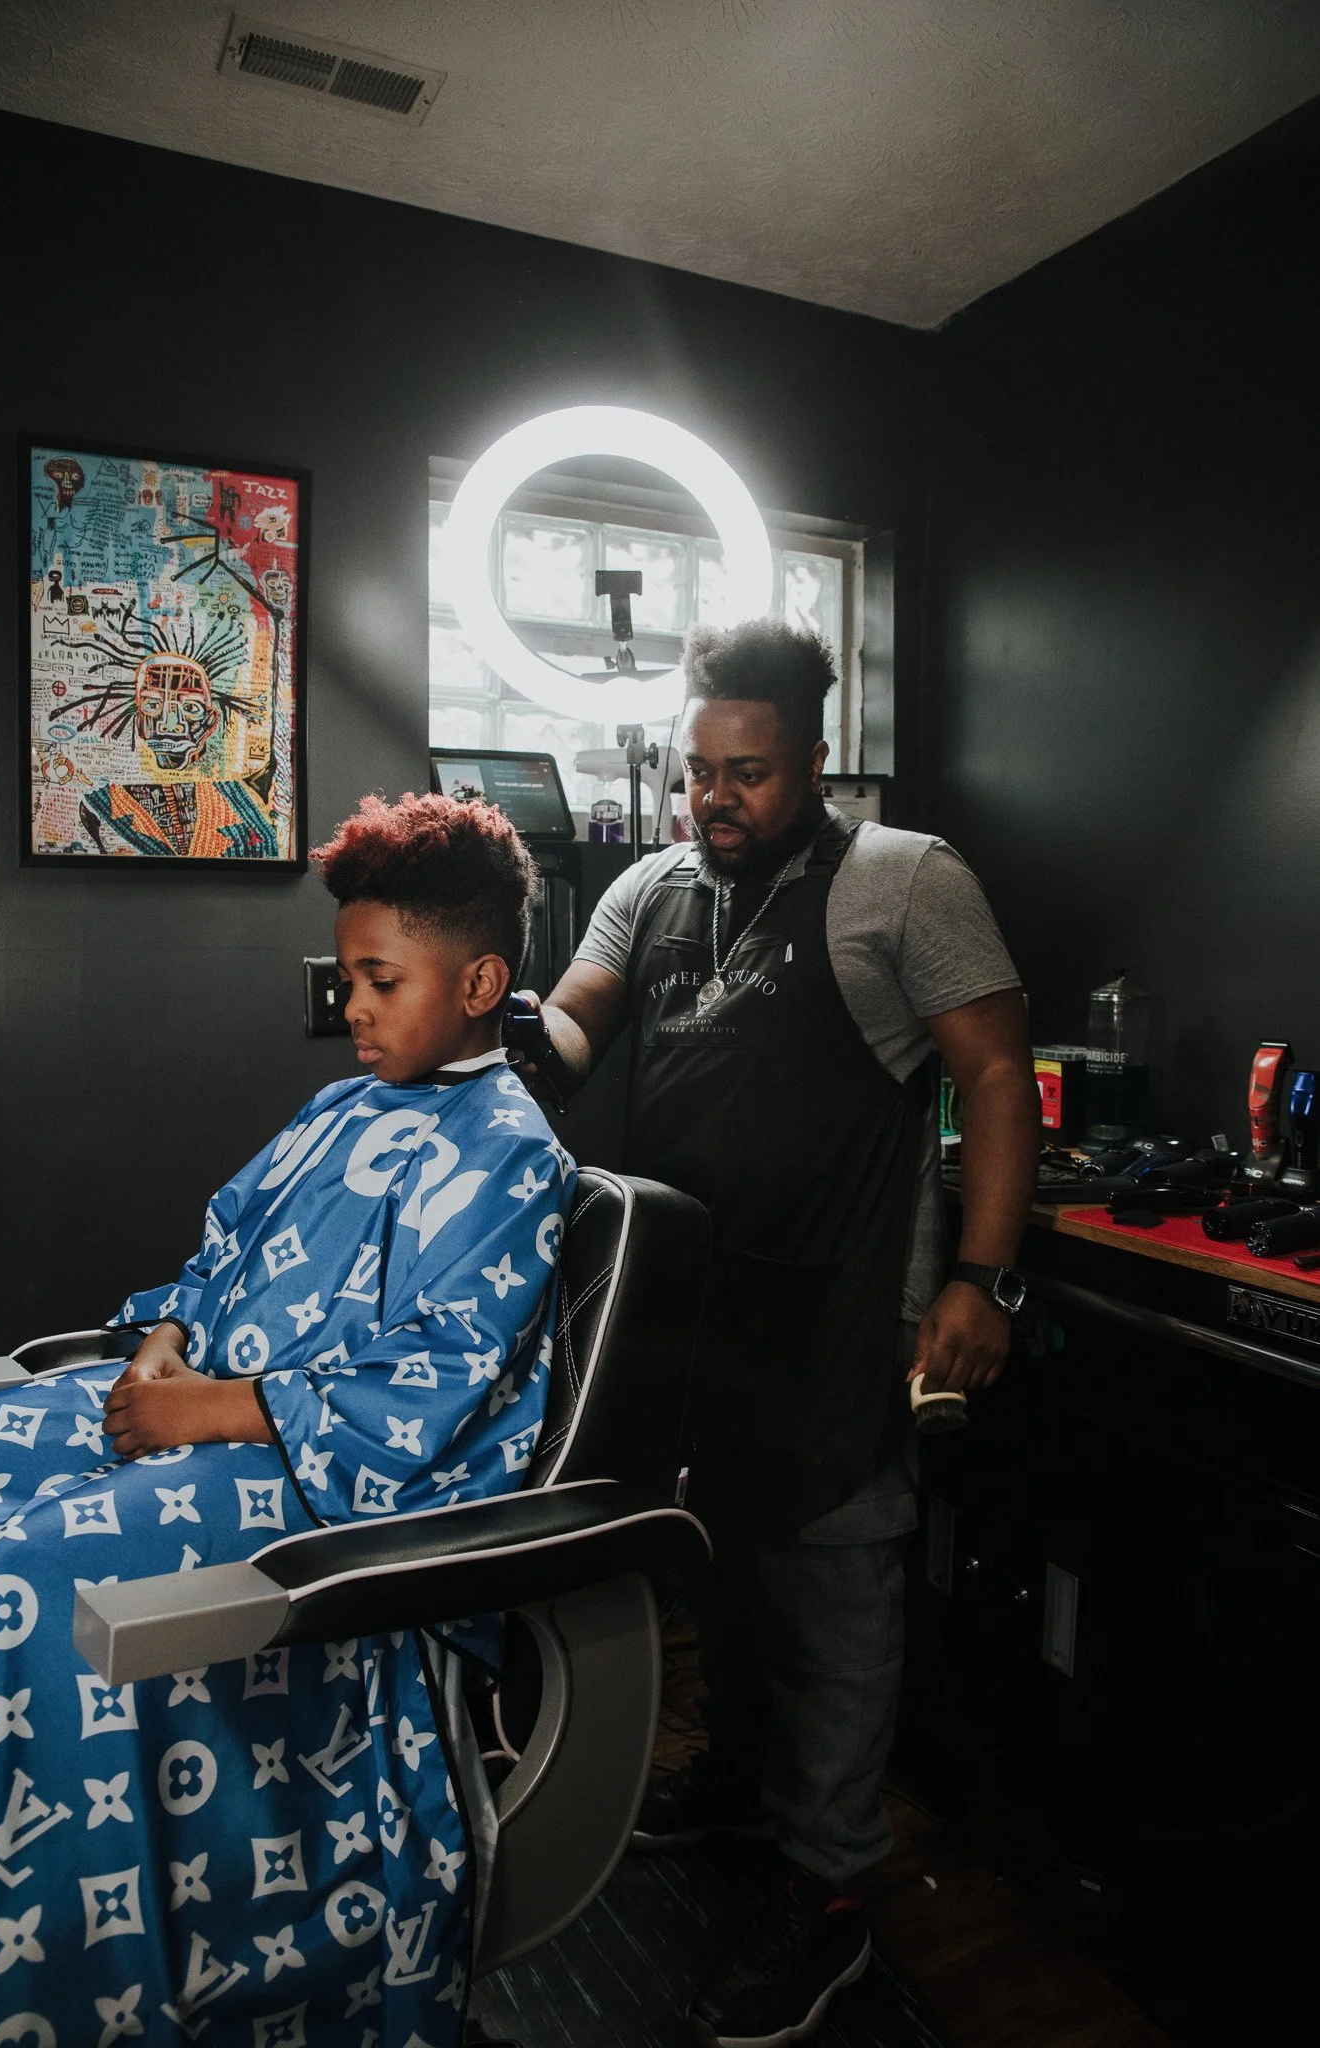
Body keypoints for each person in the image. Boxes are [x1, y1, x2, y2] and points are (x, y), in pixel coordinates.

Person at [0, 792, 574, 2048]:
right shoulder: (340, 1107)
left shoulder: (515, 1154)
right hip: (195, 1402)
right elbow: (220, 1248)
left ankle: (47, 1992)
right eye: (344, 976)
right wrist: (168, 1343)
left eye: (378, 979)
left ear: (480, 981)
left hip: (321, 1483)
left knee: (16, 1577)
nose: (349, 1005)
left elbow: (430, 1389)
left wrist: (201, 1407)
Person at [531, 619, 1039, 2048]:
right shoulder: (651, 886)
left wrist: (982, 1284)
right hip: (698, 1323)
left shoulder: (903, 883)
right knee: (731, 1575)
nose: (716, 798)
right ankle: (745, 1790)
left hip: (840, 1318)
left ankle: (827, 1898)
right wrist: (498, 1029)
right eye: (700, 771)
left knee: (834, 1597)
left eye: (747, 773)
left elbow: (995, 1075)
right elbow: (574, 1026)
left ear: (813, 759)